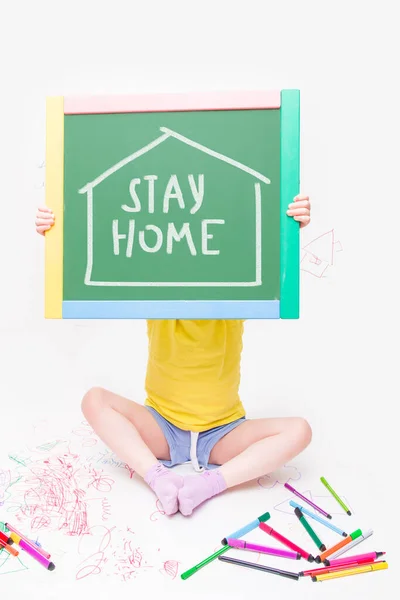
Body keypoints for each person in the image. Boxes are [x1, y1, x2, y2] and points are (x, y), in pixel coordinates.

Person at [35, 194, 311, 517]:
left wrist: (292, 226)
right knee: (93, 399)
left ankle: (211, 484)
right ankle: (157, 477)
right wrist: (57, 231)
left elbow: (269, 273)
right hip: (162, 427)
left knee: (300, 430)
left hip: (222, 433)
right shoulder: (158, 295)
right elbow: (107, 248)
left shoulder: (236, 296)